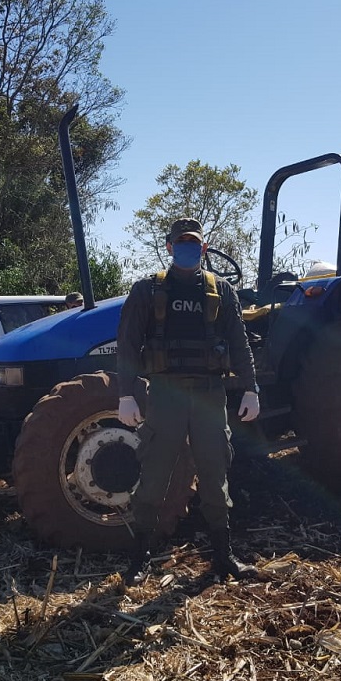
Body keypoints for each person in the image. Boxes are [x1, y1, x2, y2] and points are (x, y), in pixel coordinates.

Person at [116, 217, 261, 585]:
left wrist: (251, 388)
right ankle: (140, 557)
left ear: (204, 248)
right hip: (165, 395)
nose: (187, 248)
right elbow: (128, 345)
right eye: (180, 242)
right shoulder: (147, 290)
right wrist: (125, 395)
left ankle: (224, 555)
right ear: (168, 247)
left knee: (215, 475)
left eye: (193, 242)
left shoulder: (222, 291)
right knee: (154, 476)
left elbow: (240, 344)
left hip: (210, 396)